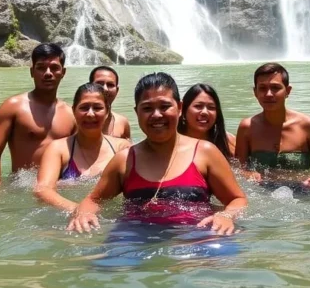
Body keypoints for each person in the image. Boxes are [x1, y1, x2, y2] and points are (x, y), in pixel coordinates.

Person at [67, 72, 247, 236]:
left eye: (164, 106)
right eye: (147, 108)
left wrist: (226, 215)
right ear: (136, 112)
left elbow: (237, 199)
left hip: (197, 231)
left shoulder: (205, 152)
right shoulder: (125, 160)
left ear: (179, 108)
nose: (156, 115)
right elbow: (93, 199)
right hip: (135, 235)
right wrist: (84, 214)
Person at [0, 43, 75, 186]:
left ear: (63, 72)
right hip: (20, 188)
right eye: (41, 68)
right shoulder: (13, 107)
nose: (48, 73)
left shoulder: (71, 113)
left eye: (54, 68)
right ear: (32, 72)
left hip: (57, 188)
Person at [236, 63, 310, 190]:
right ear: (255, 92)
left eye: (275, 88)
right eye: (262, 88)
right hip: (262, 192)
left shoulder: (307, 126)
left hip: (304, 191)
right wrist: (248, 174)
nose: (268, 94)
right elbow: (239, 168)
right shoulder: (247, 127)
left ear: (287, 91)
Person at [34, 83, 131, 212]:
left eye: (97, 108)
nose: (90, 114)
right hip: (68, 218)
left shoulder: (121, 148)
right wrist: (79, 211)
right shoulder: (58, 149)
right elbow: (43, 189)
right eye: (84, 108)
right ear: (74, 110)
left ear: (107, 112)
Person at [179, 84, 236, 159]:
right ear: (183, 110)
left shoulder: (227, 141)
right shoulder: (172, 142)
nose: (205, 112)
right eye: (198, 106)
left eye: (211, 107)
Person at [89, 66, 132, 140]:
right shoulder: (78, 121)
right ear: (89, 87)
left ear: (117, 90)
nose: (105, 89)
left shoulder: (122, 122)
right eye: (99, 84)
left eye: (110, 85)